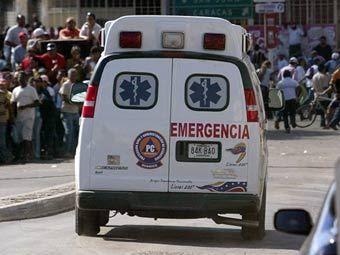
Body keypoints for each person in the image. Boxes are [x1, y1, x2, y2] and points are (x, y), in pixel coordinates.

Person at [10, 72, 39, 162]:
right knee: (20, 137)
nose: (20, 78)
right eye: (18, 77)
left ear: (26, 78)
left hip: (29, 117)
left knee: (26, 136)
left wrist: (25, 106)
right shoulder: (15, 90)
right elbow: (13, 103)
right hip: (19, 117)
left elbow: (37, 102)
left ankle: (25, 157)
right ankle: (30, 155)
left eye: (22, 77)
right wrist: (12, 116)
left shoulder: (31, 89)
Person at [59, 68, 80, 157]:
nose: (74, 76)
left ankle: (73, 151)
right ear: (69, 75)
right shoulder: (66, 85)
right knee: (69, 132)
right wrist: (74, 102)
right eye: (72, 75)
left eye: (75, 75)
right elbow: (64, 97)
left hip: (75, 111)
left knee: (76, 132)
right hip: (67, 111)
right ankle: (67, 151)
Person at [312, 63, 330, 127]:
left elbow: (313, 87)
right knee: (328, 109)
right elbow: (325, 87)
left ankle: (322, 122)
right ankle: (314, 111)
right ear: (323, 69)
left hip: (316, 95)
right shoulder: (323, 76)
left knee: (323, 110)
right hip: (324, 96)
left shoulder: (314, 76)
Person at [0, 78, 14, 163]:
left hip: (3, 121)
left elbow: (8, 106)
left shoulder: (5, 95)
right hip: (4, 120)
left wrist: (11, 117)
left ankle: (8, 157)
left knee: (2, 142)